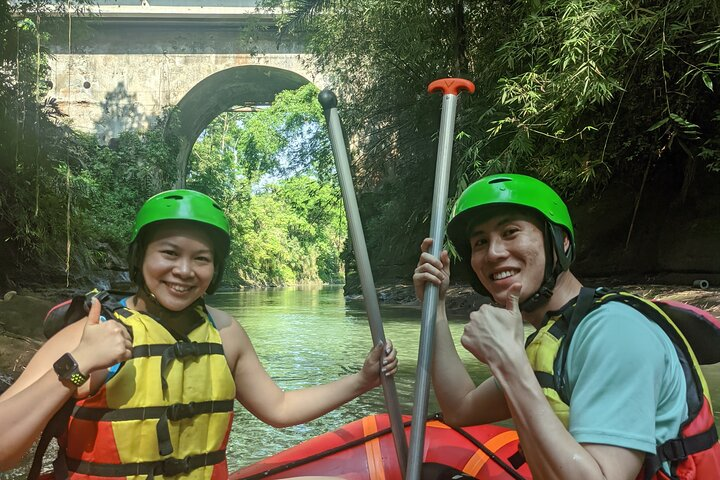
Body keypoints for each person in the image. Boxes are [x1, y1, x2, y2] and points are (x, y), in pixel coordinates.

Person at [0, 189, 398, 479]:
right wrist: (77, 365)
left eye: (201, 259)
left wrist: (362, 380)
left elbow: (278, 408)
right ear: (141, 259)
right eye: (169, 253)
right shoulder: (93, 332)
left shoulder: (226, 334)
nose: (185, 271)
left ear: (215, 269)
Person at [413, 173, 720, 479]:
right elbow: (460, 408)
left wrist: (509, 364)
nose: (493, 253)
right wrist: (436, 307)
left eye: (510, 231)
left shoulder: (613, 332)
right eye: (480, 242)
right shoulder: (554, 338)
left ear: (561, 242)